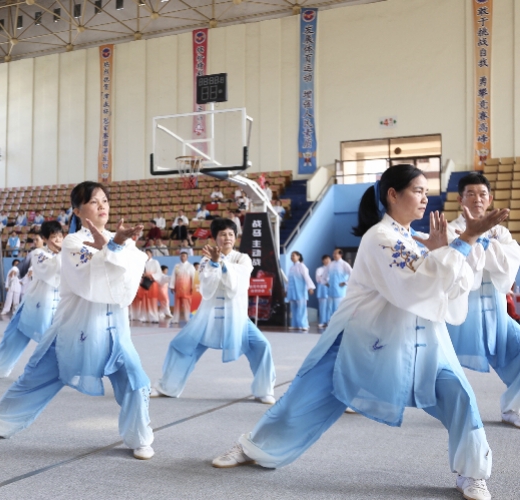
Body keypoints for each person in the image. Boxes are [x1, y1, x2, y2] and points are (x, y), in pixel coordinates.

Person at [211, 164, 507, 500]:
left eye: (427, 191)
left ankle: (472, 473)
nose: (425, 197)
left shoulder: (410, 239)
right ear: (393, 195)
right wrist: (464, 240)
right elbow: (418, 283)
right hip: (363, 340)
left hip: (421, 343)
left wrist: (447, 249)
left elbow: (443, 282)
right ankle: (250, 446)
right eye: (418, 190)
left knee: (460, 397)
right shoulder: (380, 237)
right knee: (303, 399)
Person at [0, 181, 155, 461]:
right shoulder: (73, 242)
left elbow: (132, 273)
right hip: (74, 327)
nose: (102, 206)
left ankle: (139, 437)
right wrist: (112, 249)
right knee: (35, 376)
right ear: (77, 209)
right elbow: (90, 280)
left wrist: (116, 245)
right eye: (94, 201)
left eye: (105, 201)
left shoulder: (123, 240)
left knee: (135, 380)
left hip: (115, 332)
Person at [151, 218, 276, 404]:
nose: (227, 238)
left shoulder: (243, 258)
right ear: (215, 238)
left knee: (262, 346)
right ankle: (168, 387)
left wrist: (222, 263)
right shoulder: (205, 260)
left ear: (236, 237)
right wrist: (216, 263)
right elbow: (207, 285)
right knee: (180, 345)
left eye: (231, 234)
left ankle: (264, 390)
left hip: (237, 318)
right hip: (207, 318)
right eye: (223, 234)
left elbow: (237, 284)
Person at [445, 172, 520, 430]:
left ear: (490, 199)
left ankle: (514, 407)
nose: (478, 199)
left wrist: (481, 243)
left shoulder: (500, 232)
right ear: (460, 199)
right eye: (471, 194)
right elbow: (454, 264)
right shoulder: (452, 229)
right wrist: (477, 241)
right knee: (433, 359)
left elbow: (510, 259)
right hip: (462, 315)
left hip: (497, 314)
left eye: (483, 194)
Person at [0, 221, 64, 380]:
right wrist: (64, 254)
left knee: (57, 343)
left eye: (60, 237)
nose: (58, 241)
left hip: (55, 308)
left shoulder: (68, 255)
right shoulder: (38, 254)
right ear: (45, 239)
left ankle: (63, 373)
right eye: (54, 237)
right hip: (33, 304)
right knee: (12, 336)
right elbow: (50, 272)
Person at [286, 251, 315, 331]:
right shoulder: (291, 268)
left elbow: (307, 277)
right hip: (292, 292)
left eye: (294, 255)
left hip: (300, 292)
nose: (292, 257)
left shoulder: (302, 266)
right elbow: (289, 281)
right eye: (291, 256)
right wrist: (286, 290)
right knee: (294, 308)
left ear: (298, 256)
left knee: (302, 309)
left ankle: (304, 325)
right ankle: (295, 325)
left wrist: (310, 288)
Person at [170, 251, 195, 325]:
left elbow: (193, 277)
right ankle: (175, 319)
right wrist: (172, 286)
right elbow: (173, 276)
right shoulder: (176, 266)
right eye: (181, 256)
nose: (182, 257)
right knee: (177, 304)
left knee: (187, 304)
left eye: (184, 256)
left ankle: (188, 318)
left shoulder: (190, 266)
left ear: (187, 257)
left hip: (187, 288)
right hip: (178, 288)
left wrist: (193, 287)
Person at [327, 247, 352, 317]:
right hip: (331, 291)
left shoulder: (345, 264)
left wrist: (345, 282)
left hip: (340, 291)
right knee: (330, 308)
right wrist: (326, 282)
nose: (334, 255)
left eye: (336, 253)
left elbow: (353, 274)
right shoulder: (330, 264)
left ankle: (339, 325)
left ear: (341, 255)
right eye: (333, 253)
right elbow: (325, 275)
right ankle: (330, 323)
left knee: (339, 308)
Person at [141, 249, 163, 323]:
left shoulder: (155, 262)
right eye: (145, 253)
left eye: (148, 253)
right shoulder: (142, 262)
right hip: (144, 283)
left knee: (152, 300)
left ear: (151, 254)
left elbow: (159, 273)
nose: (146, 255)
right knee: (144, 299)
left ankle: (154, 317)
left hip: (152, 283)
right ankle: (145, 317)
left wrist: (150, 275)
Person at [315, 254, 332, 328]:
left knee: (330, 306)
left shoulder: (333, 269)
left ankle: (329, 321)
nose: (327, 260)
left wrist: (324, 278)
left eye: (328, 259)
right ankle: (322, 321)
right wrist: (325, 279)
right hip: (322, 290)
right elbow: (318, 279)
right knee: (322, 307)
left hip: (331, 290)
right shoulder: (319, 269)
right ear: (322, 261)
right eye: (325, 259)